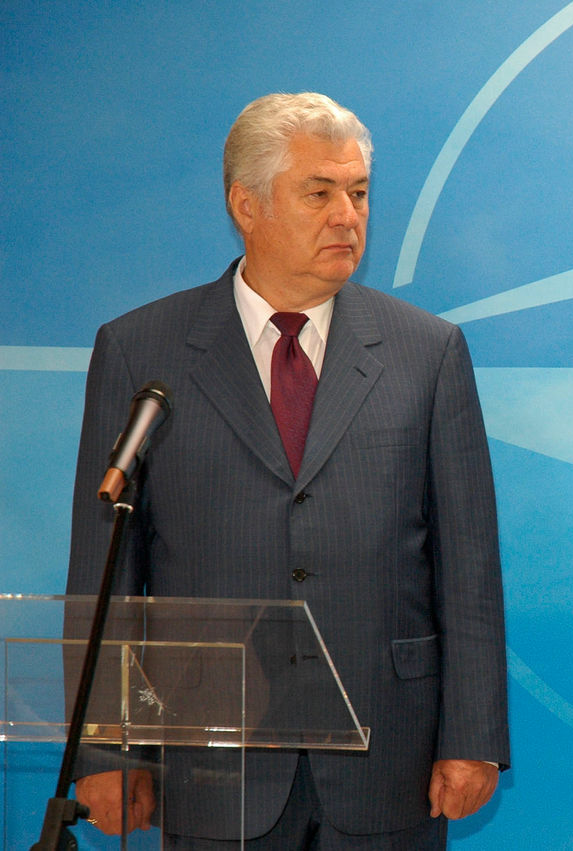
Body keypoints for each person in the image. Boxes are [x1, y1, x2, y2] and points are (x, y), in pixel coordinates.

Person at [66, 92, 509, 848]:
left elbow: (466, 565)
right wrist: (105, 750)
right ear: (247, 204)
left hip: (388, 756)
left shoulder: (427, 352)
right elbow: (106, 569)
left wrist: (472, 733)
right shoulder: (144, 351)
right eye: (320, 192)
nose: (348, 214)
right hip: (212, 763)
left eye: (360, 192)